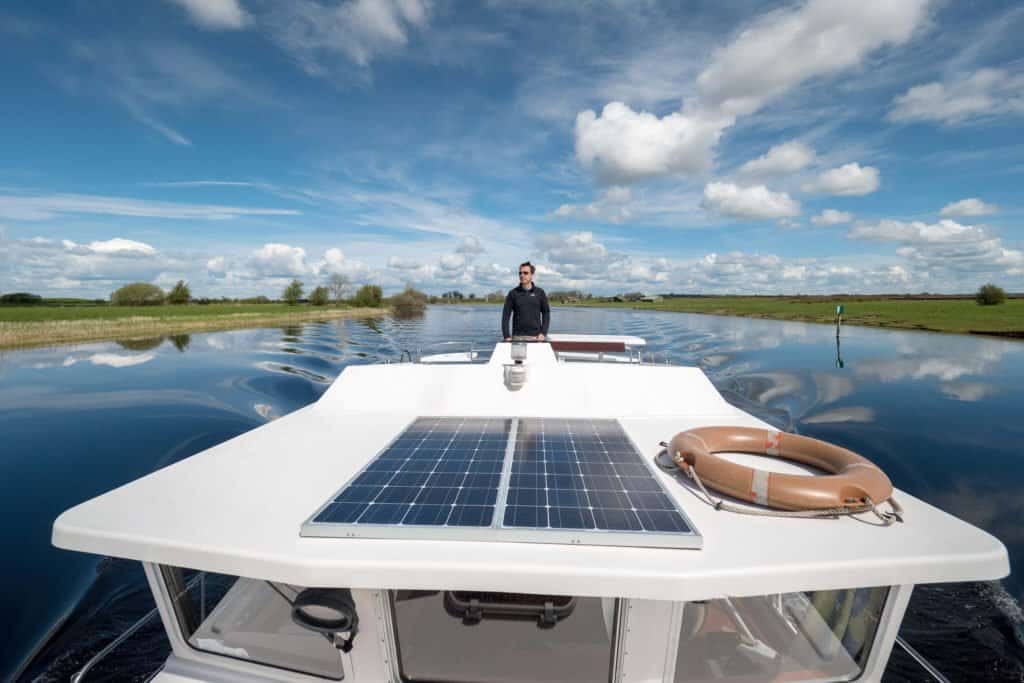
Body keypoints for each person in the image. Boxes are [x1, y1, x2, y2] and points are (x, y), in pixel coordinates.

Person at [502, 261, 550, 341]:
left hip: (536, 337)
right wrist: (506, 335)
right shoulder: (513, 293)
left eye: (525, 273)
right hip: (517, 337)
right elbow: (506, 315)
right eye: (520, 273)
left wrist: (543, 333)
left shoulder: (540, 293)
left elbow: (546, 313)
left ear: (532, 275)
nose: (522, 275)